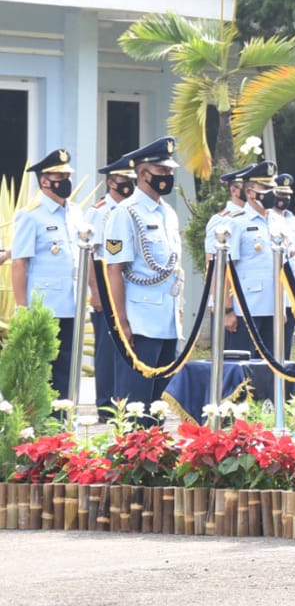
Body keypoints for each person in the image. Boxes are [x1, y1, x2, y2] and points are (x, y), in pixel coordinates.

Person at [103, 136, 183, 414]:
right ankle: (130, 457)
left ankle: (156, 455)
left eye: (170, 172)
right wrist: (121, 321)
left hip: (168, 318)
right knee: (136, 401)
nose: (168, 177)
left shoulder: (168, 213)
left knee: (159, 403)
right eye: (162, 172)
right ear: (142, 173)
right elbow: (114, 269)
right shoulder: (124, 214)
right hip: (140, 320)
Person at [11, 148, 81, 401]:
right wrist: (22, 306)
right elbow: (19, 263)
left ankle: (65, 420)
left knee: (68, 366)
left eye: (67, 175)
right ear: (43, 180)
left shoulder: (75, 213)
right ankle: (47, 424)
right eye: (58, 176)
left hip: (72, 303)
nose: (64, 181)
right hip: (45, 306)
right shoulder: (31, 216)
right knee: (46, 369)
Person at [86, 151, 137, 418]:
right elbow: (94, 256)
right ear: (111, 182)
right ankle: (106, 405)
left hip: (130, 285)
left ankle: (125, 401)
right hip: (105, 285)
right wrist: (96, 292)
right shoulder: (99, 212)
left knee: (128, 345)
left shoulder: (132, 210)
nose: (127, 184)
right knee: (107, 348)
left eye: (131, 178)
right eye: (122, 179)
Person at [223, 160, 287, 359]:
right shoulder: (237, 222)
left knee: (271, 366)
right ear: (249, 192)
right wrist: (227, 310)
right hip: (246, 309)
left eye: (272, 187)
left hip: (273, 307)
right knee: (243, 367)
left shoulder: (279, 220)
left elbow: (283, 268)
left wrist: (282, 306)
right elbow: (226, 270)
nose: (270, 192)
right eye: (265, 188)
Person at [268, 172, 295, 357]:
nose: (284, 199)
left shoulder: (293, 220)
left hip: (292, 288)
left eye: (287, 195)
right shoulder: (267, 217)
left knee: (287, 338)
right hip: (275, 289)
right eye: (280, 195)